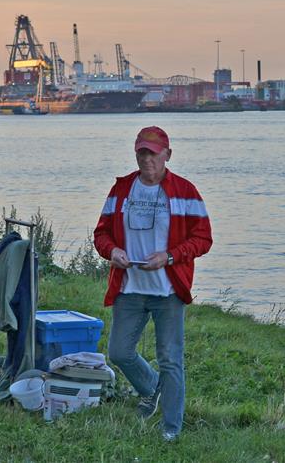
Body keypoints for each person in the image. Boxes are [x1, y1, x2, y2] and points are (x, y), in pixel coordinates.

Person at [93, 125, 212, 441]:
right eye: (141, 153)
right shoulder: (121, 189)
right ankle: (151, 387)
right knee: (119, 352)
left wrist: (170, 257)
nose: (147, 159)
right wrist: (112, 251)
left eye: (153, 154)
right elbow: (101, 234)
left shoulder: (185, 191)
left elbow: (203, 238)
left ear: (167, 155)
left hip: (168, 291)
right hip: (129, 288)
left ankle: (171, 429)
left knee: (171, 360)